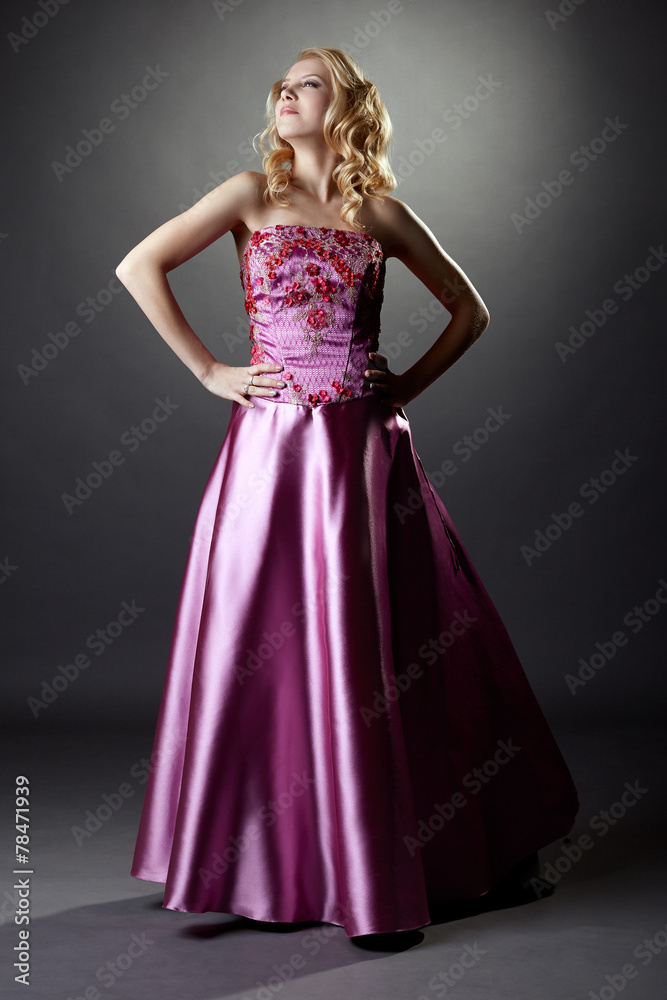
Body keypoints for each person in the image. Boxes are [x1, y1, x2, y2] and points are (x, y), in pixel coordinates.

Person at [116, 45, 579, 945]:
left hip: (361, 453)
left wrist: (399, 387)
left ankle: (379, 871)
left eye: (308, 82)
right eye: (280, 85)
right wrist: (212, 370)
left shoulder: (380, 214)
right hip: (271, 449)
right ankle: (268, 861)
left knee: (373, 653)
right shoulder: (252, 192)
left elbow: (469, 311)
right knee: (264, 648)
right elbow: (140, 266)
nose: (285, 94)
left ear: (349, 103)